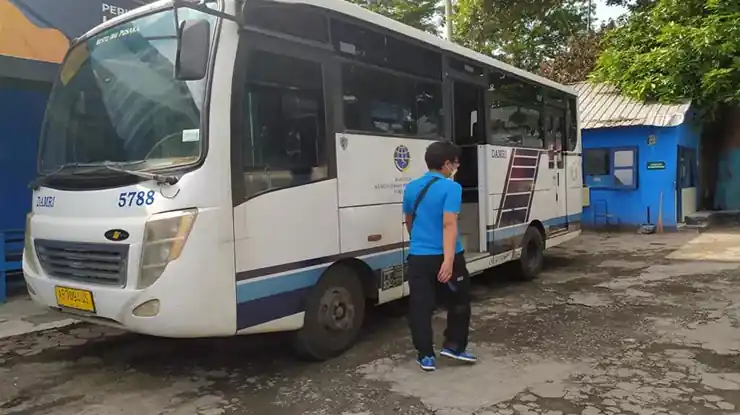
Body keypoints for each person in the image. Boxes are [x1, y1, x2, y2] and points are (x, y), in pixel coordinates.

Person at [402, 141, 477, 372]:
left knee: (420, 306)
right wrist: (447, 260)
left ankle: (425, 356)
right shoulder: (451, 187)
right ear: (446, 164)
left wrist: (420, 242)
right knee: (459, 301)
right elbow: (448, 224)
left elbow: (409, 220)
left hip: (418, 257)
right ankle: (453, 346)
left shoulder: (411, 187)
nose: (456, 167)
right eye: (455, 163)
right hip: (447, 256)